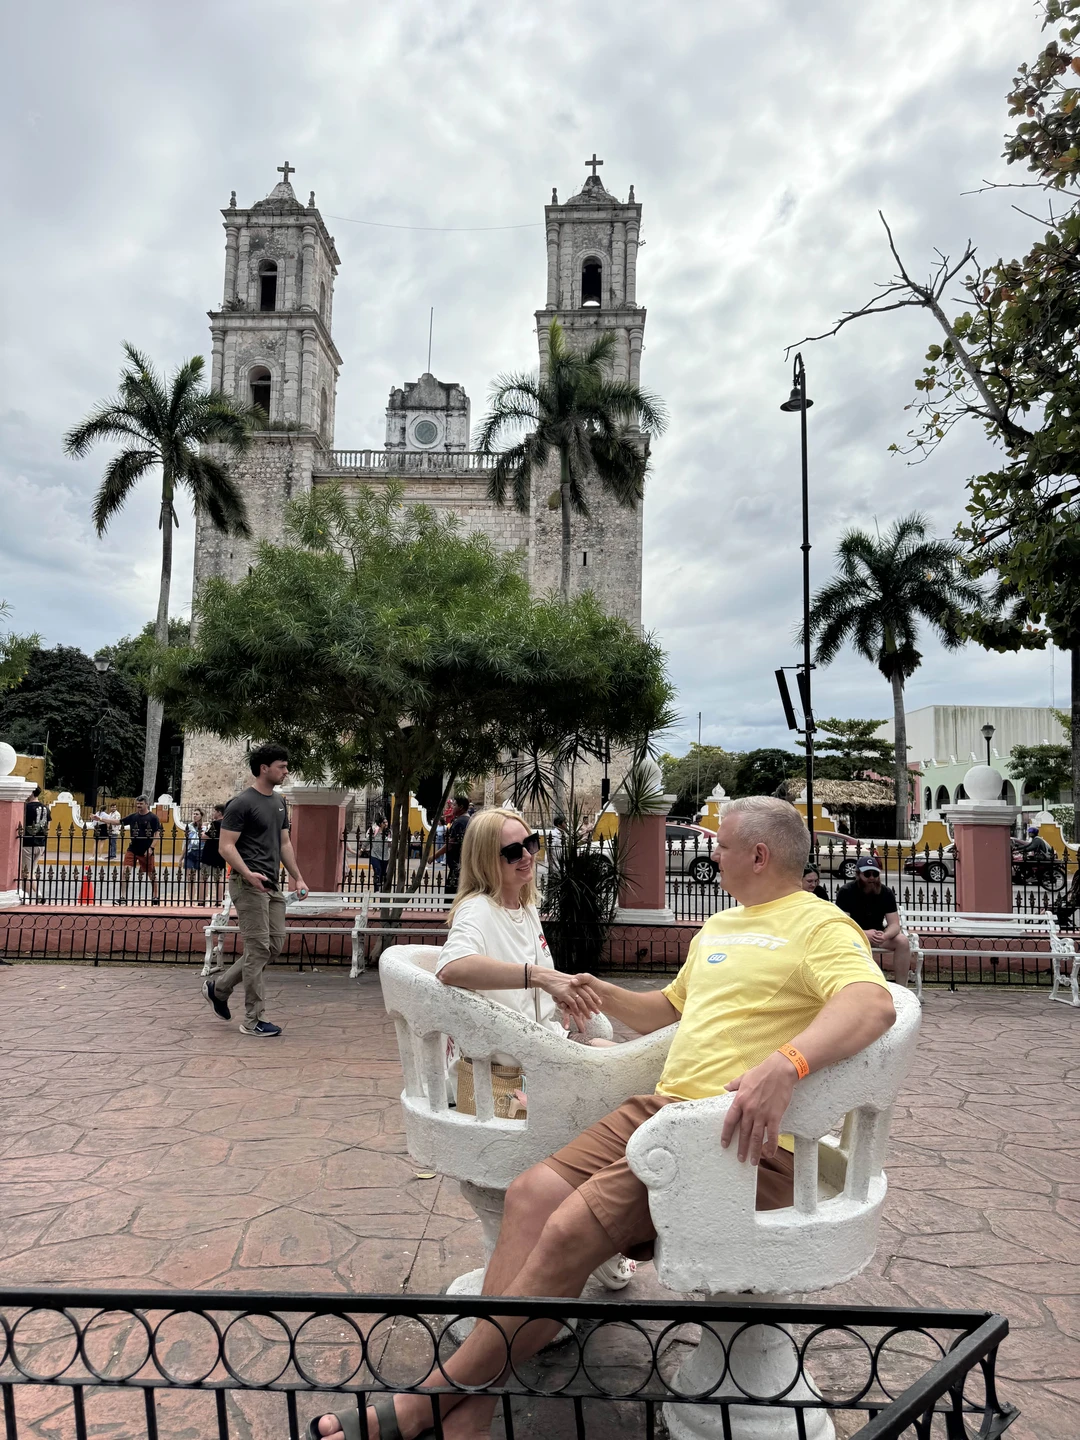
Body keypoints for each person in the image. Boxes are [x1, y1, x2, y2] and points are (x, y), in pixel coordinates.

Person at [309, 796, 897, 1440]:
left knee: (565, 1233)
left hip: (729, 1135)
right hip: (662, 1112)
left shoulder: (818, 925)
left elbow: (872, 1004)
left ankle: (431, 1400)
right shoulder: (720, 929)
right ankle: (472, 1409)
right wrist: (584, 984)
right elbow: (666, 1011)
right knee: (532, 1193)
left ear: (758, 855)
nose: (711, 855)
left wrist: (788, 1063)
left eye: (722, 846)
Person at [435, 806, 634, 1287]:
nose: (526, 857)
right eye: (511, 852)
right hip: (496, 1078)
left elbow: (533, 989)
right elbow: (453, 967)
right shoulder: (477, 910)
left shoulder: (523, 907)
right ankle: (602, 1238)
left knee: (618, 1067)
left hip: (537, 1058)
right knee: (620, 1097)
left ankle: (601, 1237)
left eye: (532, 844)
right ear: (487, 858)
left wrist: (559, 995)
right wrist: (539, 977)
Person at [202, 744, 308, 1037]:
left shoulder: (279, 802)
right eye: (281, 766)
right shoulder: (241, 803)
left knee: (272, 946)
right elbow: (226, 846)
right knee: (259, 947)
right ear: (264, 768)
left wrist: (297, 877)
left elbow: (284, 843)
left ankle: (219, 988)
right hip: (247, 884)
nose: (286, 772)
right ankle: (253, 1019)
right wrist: (248, 873)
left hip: (272, 885)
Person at [834, 855, 912, 988]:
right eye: (867, 874)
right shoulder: (846, 892)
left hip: (878, 936)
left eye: (875, 874)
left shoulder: (886, 893)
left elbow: (894, 924)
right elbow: (843, 924)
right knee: (842, 941)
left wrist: (885, 935)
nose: (871, 878)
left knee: (903, 941)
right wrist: (864, 934)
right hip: (854, 937)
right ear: (858, 874)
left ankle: (902, 988)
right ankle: (847, 987)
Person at [118, 797, 162, 903]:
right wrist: (100, 819)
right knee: (125, 872)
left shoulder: (153, 817)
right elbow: (119, 821)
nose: (138, 805)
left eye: (141, 803)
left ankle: (155, 896)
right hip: (133, 848)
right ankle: (123, 897)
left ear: (147, 804)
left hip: (146, 849)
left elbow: (157, 834)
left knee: (151, 874)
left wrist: (151, 847)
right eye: (137, 803)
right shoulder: (133, 817)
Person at [434, 797, 470, 896]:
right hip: (463, 862)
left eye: (454, 805)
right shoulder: (469, 820)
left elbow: (450, 844)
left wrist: (435, 855)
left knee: (452, 891)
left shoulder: (459, 822)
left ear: (461, 807)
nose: (452, 807)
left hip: (456, 864)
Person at [20, 786, 50, 902]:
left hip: (27, 843)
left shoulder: (26, 808)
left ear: (31, 793)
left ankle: (26, 896)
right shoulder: (46, 808)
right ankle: (38, 893)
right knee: (31, 871)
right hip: (41, 843)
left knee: (26, 872)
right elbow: (48, 828)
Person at [200, 804, 228, 907]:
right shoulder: (226, 824)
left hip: (209, 853)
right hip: (220, 853)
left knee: (203, 878)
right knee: (219, 878)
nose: (213, 813)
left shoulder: (215, 824)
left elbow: (205, 837)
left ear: (219, 812)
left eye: (214, 811)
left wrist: (202, 831)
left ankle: (201, 900)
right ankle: (219, 900)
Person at [183, 809, 206, 903]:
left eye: (197, 814)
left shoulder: (206, 826)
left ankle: (201, 899)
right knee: (190, 877)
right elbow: (186, 841)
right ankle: (191, 899)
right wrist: (181, 857)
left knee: (202, 877)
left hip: (201, 852)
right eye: (194, 814)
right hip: (190, 852)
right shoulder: (189, 826)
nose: (194, 816)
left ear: (201, 815)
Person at [368, 817, 391, 890]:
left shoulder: (389, 832)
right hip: (375, 855)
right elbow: (368, 839)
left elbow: (391, 843)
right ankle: (376, 889)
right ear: (380, 824)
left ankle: (382, 887)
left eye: (386, 822)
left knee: (383, 873)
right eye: (384, 822)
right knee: (377, 870)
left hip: (385, 856)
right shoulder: (375, 831)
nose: (386, 824)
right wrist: (362, 849)